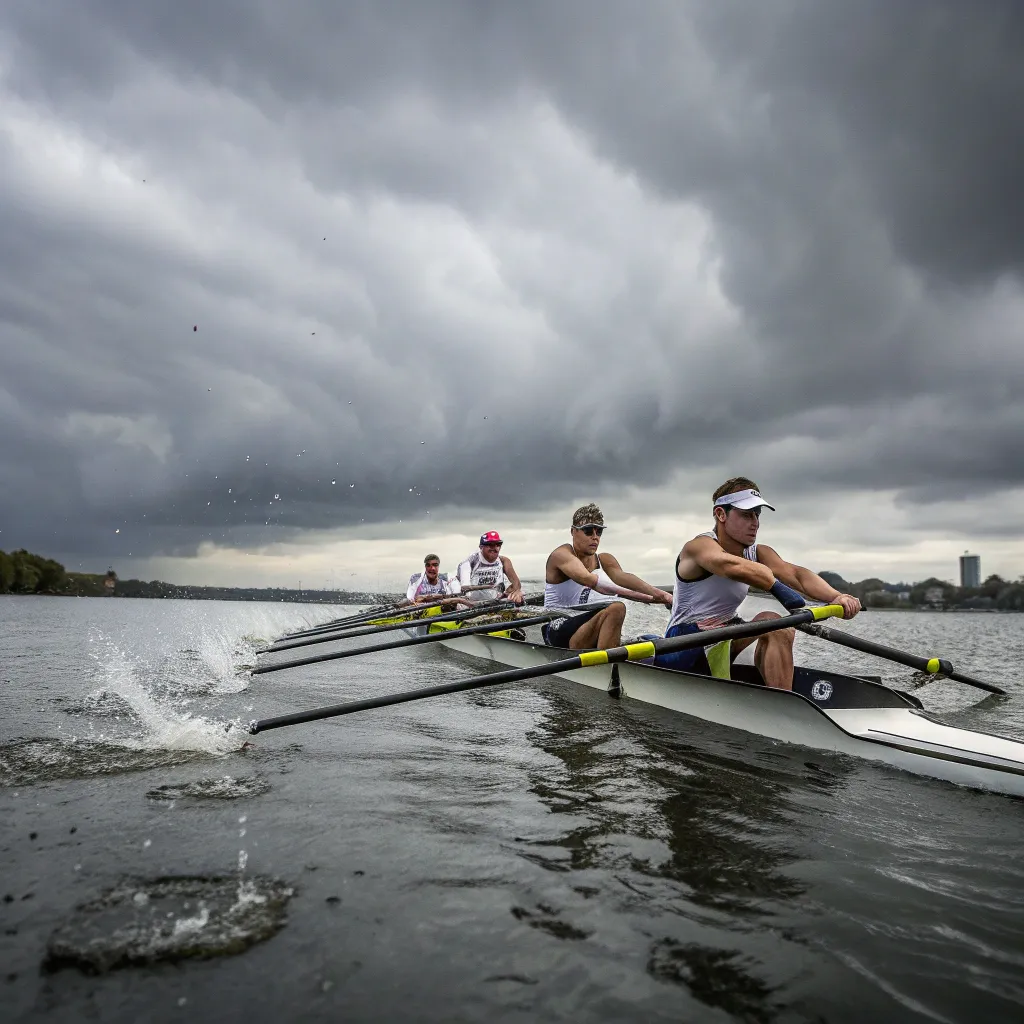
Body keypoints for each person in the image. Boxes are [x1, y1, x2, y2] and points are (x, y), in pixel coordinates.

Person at [656, 477, 861, 689]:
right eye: (746, 514)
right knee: (770, 624)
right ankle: (778, 702)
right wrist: (769, 579)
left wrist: (837, 597)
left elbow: (797, 575)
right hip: (682, 645)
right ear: (720, 514)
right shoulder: (699, 546)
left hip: (726, 632)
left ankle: (782, 701)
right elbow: (728, 566)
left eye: (757, 515)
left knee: (777, 626)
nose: (755, 522)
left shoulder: (759, 552)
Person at [543, 503, 672, 649]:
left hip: (587, 625)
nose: (595, 537)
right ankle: (607, 666)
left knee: (615, 610)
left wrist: (667, 598)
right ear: (573, 531)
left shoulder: (604, 559)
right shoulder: (562, 554)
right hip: (558, 628)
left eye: (599, 532)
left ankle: (607, 656)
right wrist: (644, 597)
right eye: (588, 531)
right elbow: (589, 580)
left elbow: (626, 580)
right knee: (617, 608)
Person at [454, 531, 524, 605]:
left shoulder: (504, 561)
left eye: (498, 544)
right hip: (468, 600)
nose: (494, 548)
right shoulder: (469, 562)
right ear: (481, 547)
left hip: (492, 601)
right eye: (490, 545)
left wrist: (514, 592)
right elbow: (465, 589)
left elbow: (517, 584)